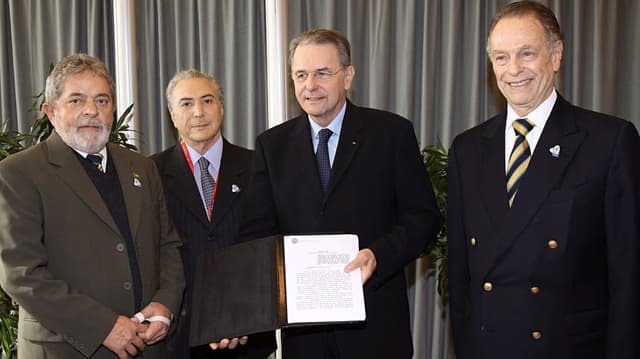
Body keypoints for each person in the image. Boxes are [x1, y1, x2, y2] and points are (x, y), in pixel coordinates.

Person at [447, 1, 640, 358]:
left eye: (527, 53)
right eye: (501, 57)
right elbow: (461, 278)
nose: (513, 69)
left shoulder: (608, 141)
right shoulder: (468, 149)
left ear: (556, 55)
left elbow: (629, 275)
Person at [240, 28, 441, 359]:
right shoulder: (271, 146)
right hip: (304, 338)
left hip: (375, 328)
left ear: (347, 76)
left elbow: (423, 217)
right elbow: (257, 235)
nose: (310, 86)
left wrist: (378, 254)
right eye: (301, 75)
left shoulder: (391, 134)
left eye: (322, 73)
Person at [0, 53, 185, 359]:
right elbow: (22, 274)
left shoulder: (141, 167)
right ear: (50, 111)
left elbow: (168, 246)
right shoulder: (18, 173)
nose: (91, 111)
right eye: (76, 100)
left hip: (147, 346)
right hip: (66, 350)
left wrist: (165, 305)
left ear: (113, 108)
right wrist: (103, 326)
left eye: (102, 100)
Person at [151, 70, 275, 359]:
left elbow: (267, 245)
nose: (198, 112)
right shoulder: (151, 172)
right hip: (178, 335)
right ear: (172, 115)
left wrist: (241, 314)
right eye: (186, 103)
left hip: (247, 331)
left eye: (207, 101)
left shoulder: (258, 165)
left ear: (221, 107)